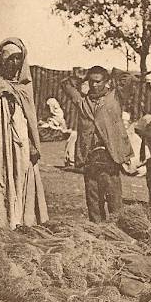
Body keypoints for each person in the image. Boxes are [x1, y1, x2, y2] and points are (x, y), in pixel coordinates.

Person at [0, 38, 48, 228]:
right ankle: (0, 220)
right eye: (10, 58)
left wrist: (32, 143)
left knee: (21, 174)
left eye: (18, 58)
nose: (14, 63)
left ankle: (20, 219)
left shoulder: (24, 87)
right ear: (1, 59)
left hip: (20, 139)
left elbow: (30, 119)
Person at [60, 66, 134, 222]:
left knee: (114, 199)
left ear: (106, 82)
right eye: (91, 81)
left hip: (110, 155)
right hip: (90, 156)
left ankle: (116, 232)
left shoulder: (115, 96)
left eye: (98, 81)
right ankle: (96, 230)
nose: (94, 85)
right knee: (93, 198)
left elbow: (128, 79)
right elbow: (65, 84)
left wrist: (113, 72)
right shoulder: (82, 101)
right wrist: (80, 77)